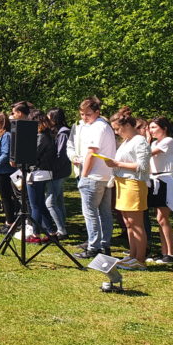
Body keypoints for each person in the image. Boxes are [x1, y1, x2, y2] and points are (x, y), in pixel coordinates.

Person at [102, 107, 151, 270]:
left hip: (134, 184)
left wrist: (117, 164)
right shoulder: (126, 142)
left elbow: (143, 166)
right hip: (122, 184)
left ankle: (140, 259)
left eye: (117, 129)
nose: (116, 133)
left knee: (137, 224)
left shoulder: (140, 140)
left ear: (127, 125)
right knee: (128, 223)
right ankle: (132, 255)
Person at [71, 96, 117, 259]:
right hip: (104, 176)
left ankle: (94, 246)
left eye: (87, 114)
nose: (84, 118)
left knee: (90, 213)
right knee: (104, 212)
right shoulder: (103, 126)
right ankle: (104, 244)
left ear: (97, 112)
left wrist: (84, 175)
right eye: (82, 114)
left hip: (94, 176)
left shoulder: (98, 127)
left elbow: (92, 153)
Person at [147, 116, 173, 264]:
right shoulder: (155, 142)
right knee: (159, 219)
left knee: (163, 218)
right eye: (150, 127)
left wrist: (146, 140)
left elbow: (147, 154)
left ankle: (171, 254)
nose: (151, 130)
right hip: (155, 181)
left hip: (165, 181)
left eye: (154, 127)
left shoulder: (168, 141)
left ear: (164, 128)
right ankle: (163, 252)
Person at [25, 110, 58, 243]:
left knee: (35, 205)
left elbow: (32, 155)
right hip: (42, 173)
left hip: (37, 173)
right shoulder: (47, 135)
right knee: (40, 204)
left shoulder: (41, 136)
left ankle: (36, 234)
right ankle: (51, 231)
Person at [47, 108, 71, 238]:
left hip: (58, 172)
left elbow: (61, 155)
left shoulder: (63, 133)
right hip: (59, 171)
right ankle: (62, 225)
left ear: (54, 119)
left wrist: (51, 169)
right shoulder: (59, 132)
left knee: (50, 202)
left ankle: (61, 230)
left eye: (48, 117)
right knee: (59, 199)